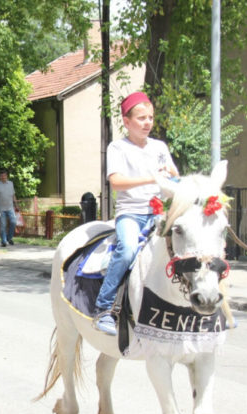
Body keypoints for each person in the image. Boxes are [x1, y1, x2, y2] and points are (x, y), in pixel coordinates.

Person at [92, 91, 179, 335]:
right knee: (128, 249)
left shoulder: (159, 147)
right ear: (127, 122)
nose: (147, 123)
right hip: (131, 213)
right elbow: (116, 182)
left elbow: (175, 178)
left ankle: (205, 304)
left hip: (159, 213)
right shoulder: (118, 147)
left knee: (187, 248)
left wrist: (172, 175)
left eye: (150, 117)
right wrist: (152, 178)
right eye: (141, 118)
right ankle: (104, 308)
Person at [0, 170, 18, 247]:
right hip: (1, 209)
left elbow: (13, 195)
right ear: (0, 177)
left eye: (4, 175)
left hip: (10, 208)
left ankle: (9, 238)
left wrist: (16, 205)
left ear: (6, 176)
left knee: (13, 222)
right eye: (1, 176)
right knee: (3, 225)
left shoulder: (11, 184)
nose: (3, 177)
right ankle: (4, 241)